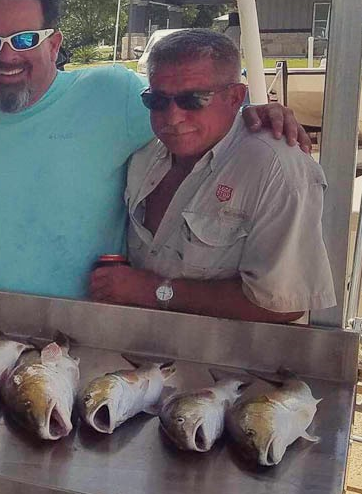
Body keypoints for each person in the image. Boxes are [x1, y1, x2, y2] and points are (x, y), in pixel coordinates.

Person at [0, 0, 309, 300]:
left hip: (93, 331)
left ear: (54, 44)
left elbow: (192, 104)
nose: (7, 54)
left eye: (24, 39)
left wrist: (255, 112)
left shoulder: (111, 94)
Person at [88, 29, 335, 321]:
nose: (173, 117)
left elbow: (284, 305)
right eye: (157, 101)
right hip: (141, 351)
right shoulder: (143, 155)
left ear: (234, 98)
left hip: (230, 361)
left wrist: (153, 290)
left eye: (193, 100)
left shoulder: (276, 168)